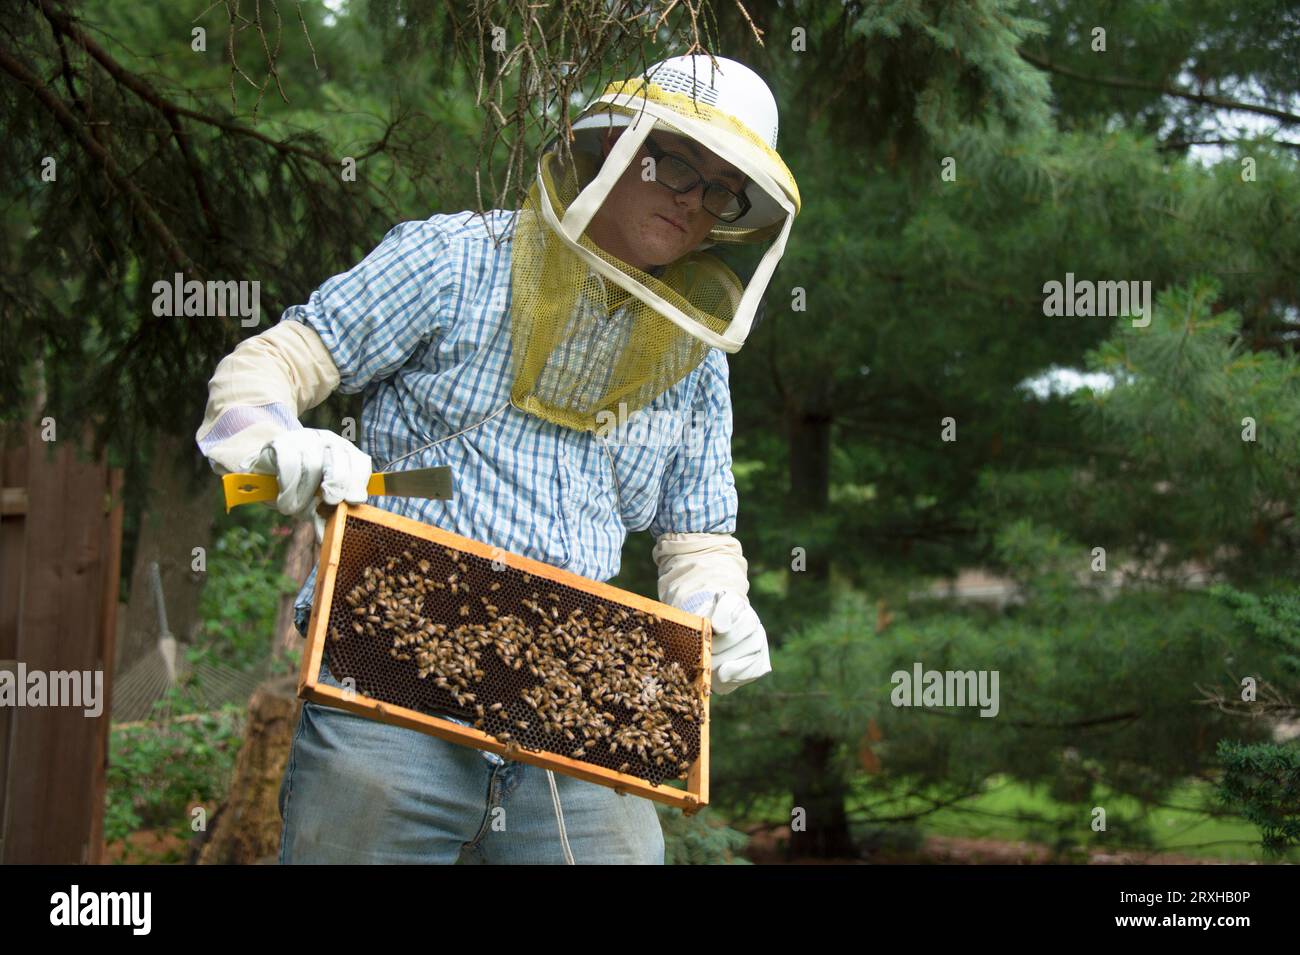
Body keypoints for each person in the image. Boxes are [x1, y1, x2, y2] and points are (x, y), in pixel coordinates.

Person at [194, 54, 801, 864]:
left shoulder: (696, 359)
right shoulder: (454, 257)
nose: (692, 200)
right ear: (614, 144)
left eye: (720, 188)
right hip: (386, 683)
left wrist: (720, 602)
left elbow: (697, 535)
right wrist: (276, 440)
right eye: (678, 162)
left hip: (571, 710)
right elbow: (273, 364)